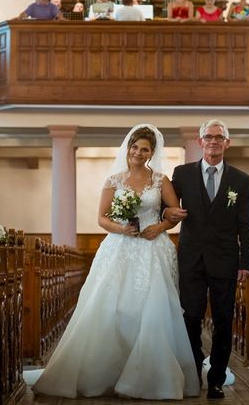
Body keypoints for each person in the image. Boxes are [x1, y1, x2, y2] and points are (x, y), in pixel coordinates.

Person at [33, 124, 200, 400]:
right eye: (134, 147)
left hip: (151, 249)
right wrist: (123, 229)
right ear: (128, 148)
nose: (138, 152)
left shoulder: (160, 180)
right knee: (113, 308)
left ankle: (150, 377)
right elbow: (102, 218)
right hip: (120, 247)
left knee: (153, 308)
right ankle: (106, 373)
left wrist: (159, 227)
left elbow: (175, 213)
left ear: (151, 153)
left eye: (144, 149)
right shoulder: (114, 180)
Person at [164, 119, 249, 400]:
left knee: (223, 320)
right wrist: (166, 216)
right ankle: (194, 368)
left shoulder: (241, 180)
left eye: (219, 137)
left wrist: (246, 261)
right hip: (191, 258)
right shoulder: (182, 174)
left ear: (227, 143)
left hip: (225, 260)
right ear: (200, 141)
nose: (213, 141)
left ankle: (216, 378)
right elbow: (165, 209)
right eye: (209, 136)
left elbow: (245, 224)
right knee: (190, 317)